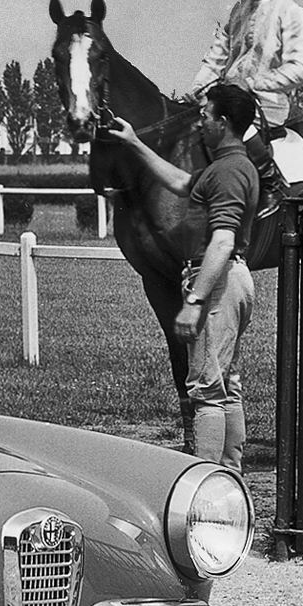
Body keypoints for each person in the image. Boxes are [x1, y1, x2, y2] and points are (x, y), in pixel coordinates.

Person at [100, 84, 262, 469]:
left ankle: (206, 482)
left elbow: (222, 241)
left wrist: (194, 301)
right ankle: (229, 476)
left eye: (205, 115)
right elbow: (179, 183)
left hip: (217, 280)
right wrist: (134, 142)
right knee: (227, 387)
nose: (199, 121)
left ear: (222, 123)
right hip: (232, 279)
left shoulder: (226, 172)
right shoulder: (228, 167)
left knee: (206, 390)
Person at [188, 0, 303, 209]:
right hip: (227, 100)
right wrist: (197, 89)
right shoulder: (238, 10)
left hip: (266, 105)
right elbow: (216, 57)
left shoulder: (291, 12)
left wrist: (252, 83)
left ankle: (271, 183)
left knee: (235, 128)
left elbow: (301, 68)